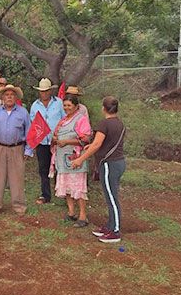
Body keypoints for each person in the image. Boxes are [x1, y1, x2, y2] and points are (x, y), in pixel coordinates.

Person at [72, 96, 126, 243]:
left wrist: (80, 159)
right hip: (118, 162)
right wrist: (93, 145)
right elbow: (106, 142)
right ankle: (110, 226)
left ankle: (115, 231)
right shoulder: (119, 123)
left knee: (112, 199)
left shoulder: (104, 124)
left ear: (104, 108)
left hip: (109, 164)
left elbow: (96, 145)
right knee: (110, 196)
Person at [0, 84, 32, 216]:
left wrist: (28, 150)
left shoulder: (23, 113)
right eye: (7, 95)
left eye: (12, 95)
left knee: (17, 177)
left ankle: (19, 206)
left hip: (17, 148)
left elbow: (30, 133)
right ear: (3, 98)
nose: (9, 97)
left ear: (16, 97)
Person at [51, 94, 92, 228]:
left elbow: (86, 138)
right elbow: (56, 135)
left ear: (76, 106)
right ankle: (71, 212)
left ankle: (83, 215)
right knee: (67, 185)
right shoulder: (63, 121)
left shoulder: (81, 119)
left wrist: (67, 141)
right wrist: (56, 139)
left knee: (78, 187)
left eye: (69, 105)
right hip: (62, 158)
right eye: (65, 105)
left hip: (75, 158)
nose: (66, 108)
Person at [29, 78, 65, 204]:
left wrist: (60, 135)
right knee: (43, 168)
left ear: (50, 91)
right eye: (42, 91)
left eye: (46, 91)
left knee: (59, 167)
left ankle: (61, 192)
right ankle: (45, 194)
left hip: (57, 141)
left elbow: (64, 120)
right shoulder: (35, 106)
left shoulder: (59, 103)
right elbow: (32, 123)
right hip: (42, 142)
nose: (44, 93)